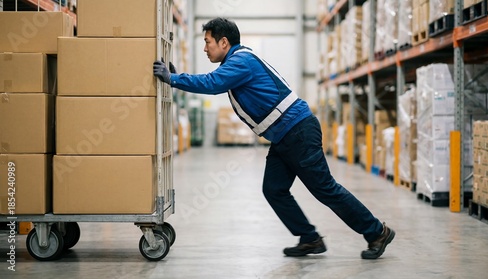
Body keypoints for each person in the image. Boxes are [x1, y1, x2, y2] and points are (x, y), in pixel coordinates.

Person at [153, 17, 395, 259]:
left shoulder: (241, 61)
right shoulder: (236, 62)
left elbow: (213, 83)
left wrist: (174, 79)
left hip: (297, 131)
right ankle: (310, 238)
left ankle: (377, 232)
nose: (205, 48)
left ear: (224, 42)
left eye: (208, 42)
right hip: (284, 136)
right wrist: (178, 79)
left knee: (325, 189)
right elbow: (214, 80)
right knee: (274, 189)